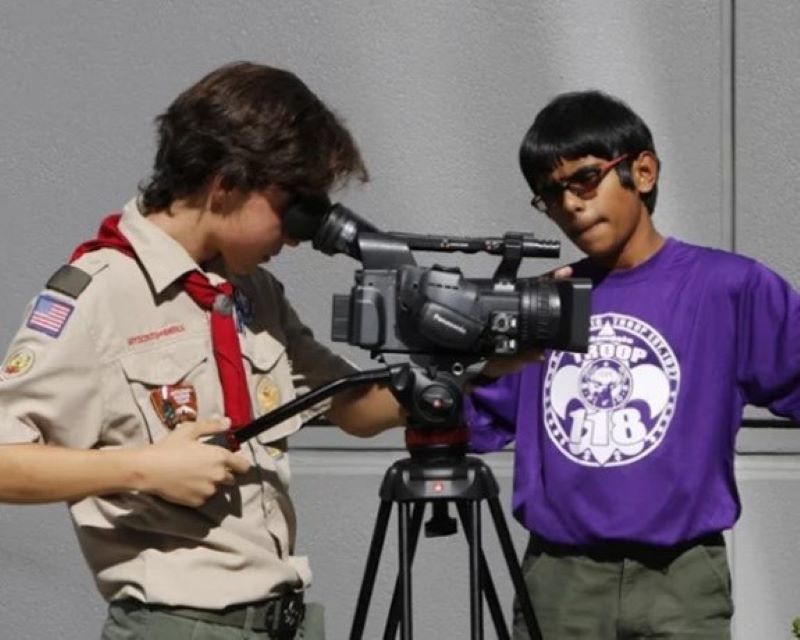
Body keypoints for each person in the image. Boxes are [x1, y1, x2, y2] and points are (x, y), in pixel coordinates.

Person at [0, 61, 404, 640]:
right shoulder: (99, 294)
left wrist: (477, 368)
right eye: (292, 207)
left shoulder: (250, 289)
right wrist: (142, 468)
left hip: (282, 621)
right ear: (227, 184)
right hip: (177, 625)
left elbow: (353, 407)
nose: (297, 234)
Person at [464, 89, 800, 639]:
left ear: (641, 171)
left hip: (682, 579)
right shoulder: (545, 303)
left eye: (585, 179)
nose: (569, 203)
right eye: (549, 194)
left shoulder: (728, 288)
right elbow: (464, 417)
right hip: (559, 580)